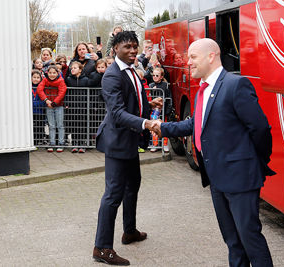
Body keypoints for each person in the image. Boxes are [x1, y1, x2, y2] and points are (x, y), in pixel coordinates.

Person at [150, 38, 275, 267]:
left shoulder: (236, 85)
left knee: (250, 240)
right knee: (233, 242)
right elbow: (195, 125)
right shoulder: (204, 89)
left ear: (211, 56)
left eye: (193, 57)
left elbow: (260, 129)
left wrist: (255, 162)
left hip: (240, 178)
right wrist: (162, 126)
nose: (188, 62)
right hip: (216, 179)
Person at [93, 31, 162, 266]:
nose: (133, 50)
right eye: (127, 47)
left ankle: (129, 231)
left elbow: (135, 100)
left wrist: (149, 104)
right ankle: (102, 248)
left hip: (131, 141)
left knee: (133, 185)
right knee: (113, 195)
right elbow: (118, 113)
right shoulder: (112, 76)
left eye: (135, 46)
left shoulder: (133, 71)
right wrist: (147, 123)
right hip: (118, 143)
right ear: (115, 50)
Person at [37, 65, 67, 153]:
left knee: (60, 125)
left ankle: (61, 143)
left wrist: (54, 102)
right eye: (50, 73)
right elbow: (39, 89)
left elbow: (62, 91)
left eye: (54, 73)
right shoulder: (45, 80)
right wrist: (46, 100)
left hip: (58, 106)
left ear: (57, 73)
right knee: (51, 125)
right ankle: (52, 143)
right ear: (47, 73)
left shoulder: (61, 80)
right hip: (49, 105)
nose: (52, 75)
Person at [65, 61, 89, 153]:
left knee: (82, 124)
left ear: (80, 70)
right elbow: (67, 92)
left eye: (75, 68)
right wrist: (67, 103)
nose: (72, 69)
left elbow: (89, 94)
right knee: (74, 124)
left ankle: (83, 144)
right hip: (72, 105)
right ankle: (74, 144)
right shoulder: (68, 79)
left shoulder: (86, 80)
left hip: (83, 106)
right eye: (71, 68)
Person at [148, 67, 172, 153]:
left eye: (157, 75)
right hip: (154, 111)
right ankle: (155, 144)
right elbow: (149, 98)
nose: (154, 77)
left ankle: (165, 144)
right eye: (153, 75)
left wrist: (168, 110)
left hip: (163, 110)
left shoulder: (165, 85)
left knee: (164, 127)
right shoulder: (150, 85)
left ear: (161, 76)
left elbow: (169, 98)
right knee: (153, 127)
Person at [31, 70, 46, 145]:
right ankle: (33, 141)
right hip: (30, 112)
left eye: (37, 77)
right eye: (34, 77)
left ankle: (39, 139)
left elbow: (43, 100)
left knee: (39, 125)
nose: (35, 79)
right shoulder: (28, 87)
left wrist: (35, 104)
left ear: (40, 79)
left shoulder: (42, 88)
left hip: (39, 111)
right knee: (32, 126)